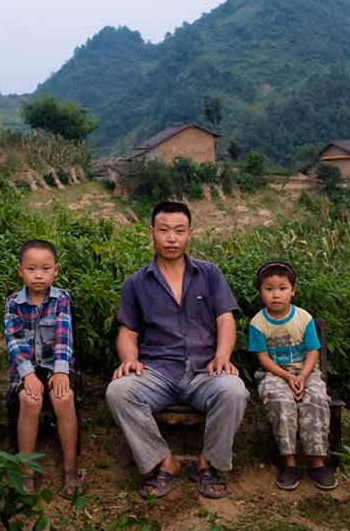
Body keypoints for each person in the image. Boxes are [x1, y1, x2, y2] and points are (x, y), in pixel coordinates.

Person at [106, 201, 249, 499]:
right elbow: (128, 332)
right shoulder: (135, 283)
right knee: (118, 391)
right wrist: (129, 359)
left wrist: (223, 356)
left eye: (179, 231)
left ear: (190, 234)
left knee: (234, 390)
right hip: (157, 371)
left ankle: (208, 463)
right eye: (164, 230)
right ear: (151, 233)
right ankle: (164, 462)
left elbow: (225, 320)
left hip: (204, 370)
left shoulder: (210, 274)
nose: (172, 238)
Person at [248, 261, 337, 490]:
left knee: (316, 399)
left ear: (293, 291)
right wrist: (288, 378)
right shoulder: (258, 323)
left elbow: (312, 351)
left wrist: (303, 377)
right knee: (280, 400)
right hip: (274, 373)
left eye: (282, 288)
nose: (275, 294)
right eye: (269, 289)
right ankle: (289, 462)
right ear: (261, 292)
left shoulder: (303, 318)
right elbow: (263, 358)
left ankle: (318, 462)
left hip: (305, 371)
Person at [4, 239, 82, 498]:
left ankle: (70, 467)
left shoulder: (61, 299)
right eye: (31, 269)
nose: (38, 275)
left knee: (64, 397)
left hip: (55, 363)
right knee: (30, 399)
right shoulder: (13, 303)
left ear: (56, 270)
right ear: (20, 271)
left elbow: (64, 336)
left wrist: (61, 371)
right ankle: (26, 470)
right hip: (25, 368)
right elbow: (14, 342)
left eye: (45, 268)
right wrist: (27, 375)